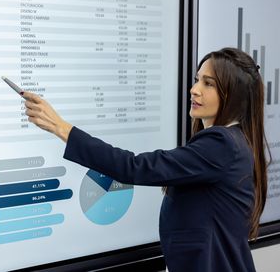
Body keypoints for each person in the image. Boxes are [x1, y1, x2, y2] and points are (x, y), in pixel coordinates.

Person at [22, 47, 269, 272]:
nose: (194, 89)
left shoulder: (221, 145)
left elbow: (135, 167)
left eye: (208, 84)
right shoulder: (232, 141)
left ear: (232, 95)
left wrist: (61, 128)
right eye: (196, 80)